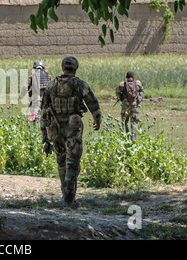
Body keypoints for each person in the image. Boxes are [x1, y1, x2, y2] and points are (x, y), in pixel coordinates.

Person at [40, 56, 101, 208]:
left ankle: (65, 195)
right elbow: (93, 103)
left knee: (61, 160)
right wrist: (97, 119)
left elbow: (43, 111)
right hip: (73, 127)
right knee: (72, 162)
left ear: (62, 68)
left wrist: (44, 134)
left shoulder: (51, 85)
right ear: (75, 68)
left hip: (55, 127)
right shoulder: (80, 85)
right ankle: (70, 199)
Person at [116, 71, 144, 142]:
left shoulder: (122, 84)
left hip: (125, 106)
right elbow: (142, 91)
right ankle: (133, 139)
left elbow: (117, 92)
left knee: (124, 121)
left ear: (126, 77)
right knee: (134, 122)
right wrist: (139, 99)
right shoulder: (138, 83)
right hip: (134, 105)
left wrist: (122, 99)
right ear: (133, 77)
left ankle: (126, 138)